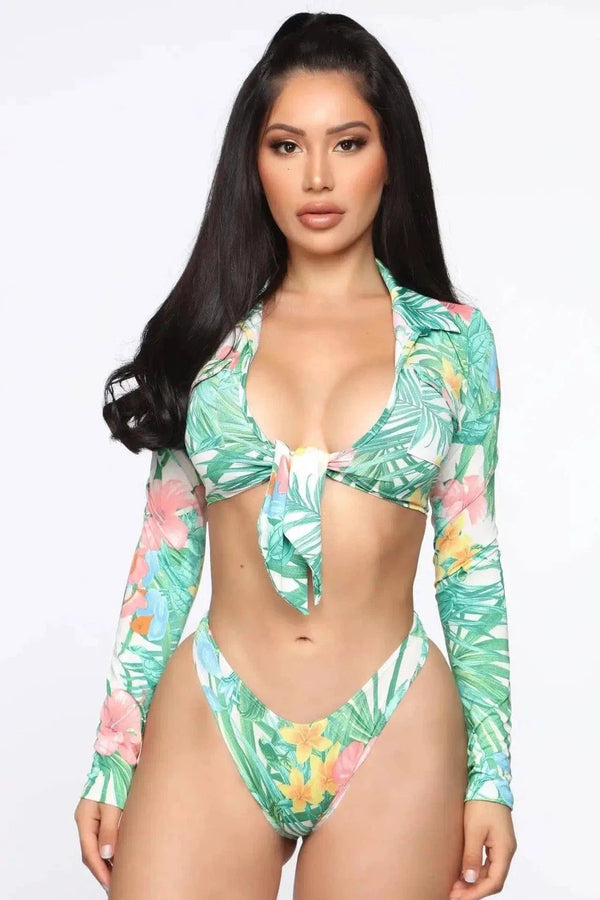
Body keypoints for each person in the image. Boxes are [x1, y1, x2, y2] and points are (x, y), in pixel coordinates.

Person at [74, 11, 517, 899]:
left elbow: (469, 564)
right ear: (254, 163)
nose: (318, 177)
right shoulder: (208, 336)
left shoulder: (453, 341)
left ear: (390, 157)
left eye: (347, 143)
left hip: (394, 720)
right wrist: (113, 758)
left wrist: (492, 778)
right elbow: (165, 553)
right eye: (286, 146)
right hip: (215, 711)